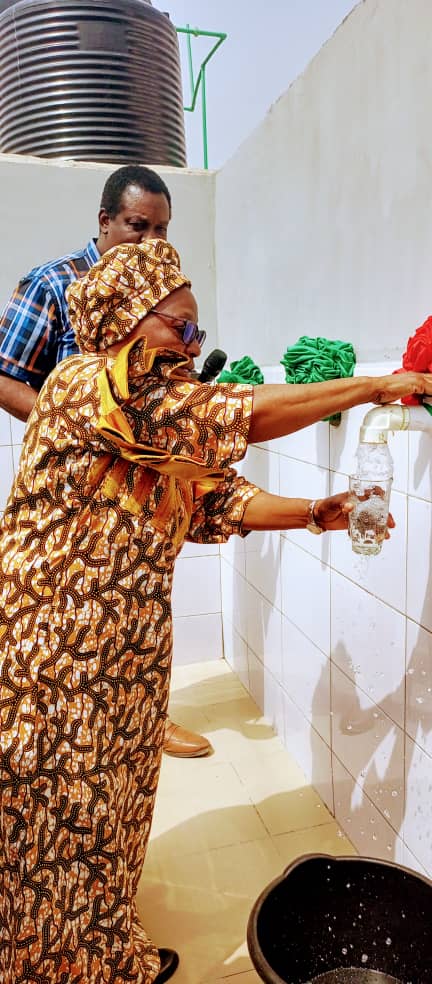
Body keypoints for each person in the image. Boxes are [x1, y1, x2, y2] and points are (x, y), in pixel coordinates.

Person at [1, 237, 431, 984]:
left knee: (111, 816)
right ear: (126, 321)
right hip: (53, 661)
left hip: (120, 662)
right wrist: (372, 387)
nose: (191, 346)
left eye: (197, 331)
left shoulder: (151, 418)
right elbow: (236, 417)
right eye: (181, 328)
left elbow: (214, 495)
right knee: (55, 831)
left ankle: (105, 952)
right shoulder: (86, 385)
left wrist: (315, 511)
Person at [0, 163, 211, 760]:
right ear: (104, 220)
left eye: (162, 230)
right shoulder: (52, 283)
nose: (151, 243)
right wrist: (84, 424)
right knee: (68, 619)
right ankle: (58, 740)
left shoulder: (163, 289)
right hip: (77, 496)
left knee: (141, 606)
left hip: (144, 495)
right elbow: (4, 376)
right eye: (137, 227)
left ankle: (147, 718)